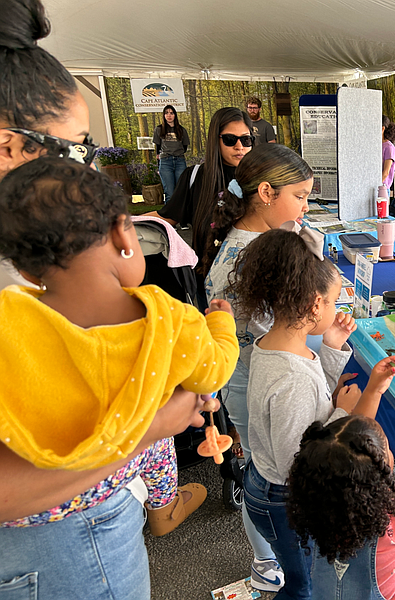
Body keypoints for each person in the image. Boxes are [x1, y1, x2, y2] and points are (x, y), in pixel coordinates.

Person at [0, 3, 218, 597]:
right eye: (76, 150)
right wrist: (150, 428)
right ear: (7, 146)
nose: (88, 166)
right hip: (59, 545)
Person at [0, 155, 240, 530]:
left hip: (25, 515)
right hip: (104, 506)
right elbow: (213, 374)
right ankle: (165, 507)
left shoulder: (9, 318)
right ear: (124, 236)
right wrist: (221, 325)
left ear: (26, 269)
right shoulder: (172, 320)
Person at [230, 227, 395, 599]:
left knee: (304, 576)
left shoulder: (274, 345)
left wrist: (331, 347)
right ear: (313, 305)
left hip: (271, 483)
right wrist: (343, 411)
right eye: (334, 300)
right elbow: (301, 460)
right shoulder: (290, 379)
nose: (337, 307)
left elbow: (313, 394)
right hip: (283, 496)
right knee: (303, 585)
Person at [203, 143, 315, 592]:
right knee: (273, 474)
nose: (305, 205)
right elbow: (288, 321)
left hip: (240, 376)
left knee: (258, 465)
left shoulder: (238, 239)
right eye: (302, 195)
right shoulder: (261, 253)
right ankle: (272, 561)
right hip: (258, 380)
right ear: (266, 192)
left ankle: (265, 559)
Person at [287, 379, 395, 600]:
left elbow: (349, 449)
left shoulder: (312, 505)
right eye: (386, 448)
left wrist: (374, 390)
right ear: (381, 469)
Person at [155, 107, 253, 307]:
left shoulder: (261, 178)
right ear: (215, 141)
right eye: (229, 139)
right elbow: (166, 217)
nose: (239, 146)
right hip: (207, 283)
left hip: (253, 282)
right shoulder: (195, 176)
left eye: (246, 139)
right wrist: (120, 223)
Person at [152, 104, 190, 203]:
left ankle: (180, 216)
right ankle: (168, 217)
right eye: (166, 113)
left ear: (175, 115)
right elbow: (158, 148)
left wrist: (176, 153)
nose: (169, 115)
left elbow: (184, 147)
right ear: (164, 115)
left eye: (171, 113)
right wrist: (159, 164)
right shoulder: (159, 129)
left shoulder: (182, 130)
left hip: (179, 161)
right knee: (170, 192)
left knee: (180, 191)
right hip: (165, 162)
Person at [382, 115, 395, 190]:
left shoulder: (389, 148)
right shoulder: (376, 145)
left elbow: (386, 172)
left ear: (382, 129)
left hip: (382, 188)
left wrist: (377, 187)